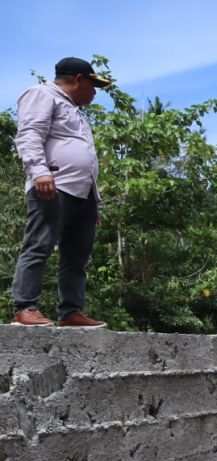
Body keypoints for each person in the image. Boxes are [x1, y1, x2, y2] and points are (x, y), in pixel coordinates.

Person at [10, 57, 112, 329]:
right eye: (93, 85)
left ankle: (71, 311)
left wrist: (93, 200)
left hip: (82, 193)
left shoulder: (75, 110)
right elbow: (30, 133)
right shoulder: (42, 94)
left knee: (77, 256)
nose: (94, 92)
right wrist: (40, 171)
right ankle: (25, 308)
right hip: (54, 184)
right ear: (79, 79)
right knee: (39, 245)